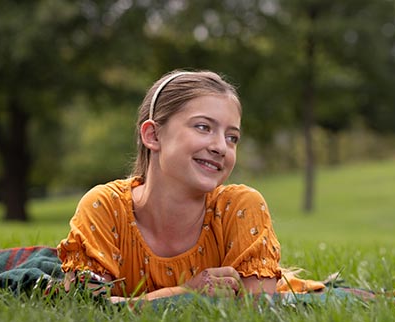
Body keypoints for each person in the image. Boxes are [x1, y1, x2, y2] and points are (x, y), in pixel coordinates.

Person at [57, 69, 283, 302]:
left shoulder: (239, 207)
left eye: (231, 137)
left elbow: (259, 306)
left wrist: (131, 303)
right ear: (153, 135)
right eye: (203, 127)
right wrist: (186, 293)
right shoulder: (105, 208)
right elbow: (84, 304)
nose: (221, 147)